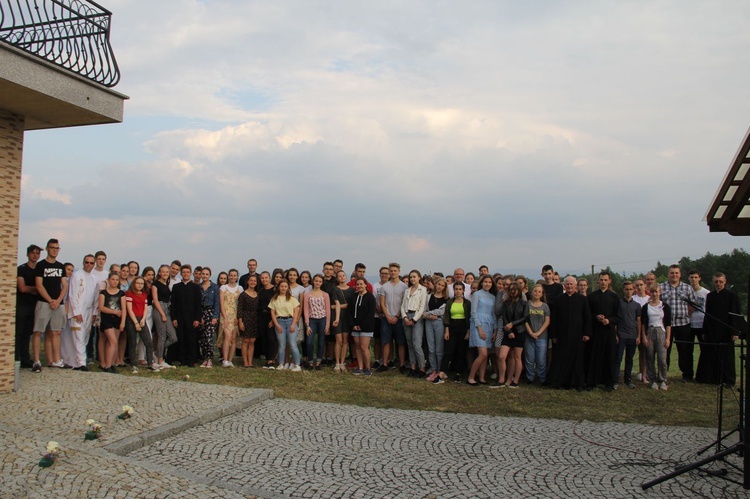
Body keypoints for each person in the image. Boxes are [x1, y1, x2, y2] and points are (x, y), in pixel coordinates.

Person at [698, 273, 741, 387]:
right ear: (713, 282)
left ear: (725, 281)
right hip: (713, 330)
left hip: (727, 331)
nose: (718, 284)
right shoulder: (710, 296)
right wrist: (704, 331)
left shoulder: (732, 296)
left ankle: (729, 380)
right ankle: (715, 378)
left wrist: (735, 332)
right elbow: (707, 314)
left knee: (727, 357)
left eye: (720, 282)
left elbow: (736, 315)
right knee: (713, 354)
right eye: (716, 281)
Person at [548, 276, 592, 391]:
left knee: (576, 360)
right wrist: (553, 335)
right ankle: (560, 382)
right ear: (564, 285)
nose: (569, 286)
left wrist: (587, 333)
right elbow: (554, 318)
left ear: (575, 285)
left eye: (571, 284)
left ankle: (576, 383)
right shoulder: (558, 299)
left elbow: (587, 317)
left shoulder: (582, 299)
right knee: (561, 359)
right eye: (567, 284)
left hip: (577, 335)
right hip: (561, 335)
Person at [31, 239, 68, 372]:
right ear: (47, 249)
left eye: (57, 248)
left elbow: (64, 285)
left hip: (58, 304)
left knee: (56, 331)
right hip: (43, 303)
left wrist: (58, 300)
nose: (55, 250)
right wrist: (50, 300)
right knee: (38, 331)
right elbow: (39, 285)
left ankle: (56, 360)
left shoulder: (60, 266)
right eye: (52, 248)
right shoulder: (41, 265)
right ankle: (36, 361)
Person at [659, 265, 697, 382]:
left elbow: (692, 305)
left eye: (676, 273)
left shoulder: (687, 288)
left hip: (683, 323)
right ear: (668, 274)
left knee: (685, 350)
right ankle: (663, 375)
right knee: (665, 350)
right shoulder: (662, 287)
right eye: (672, 273)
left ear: (680, 274)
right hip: (666, 325)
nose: (674, 275)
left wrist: (686, 314)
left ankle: (687, 375)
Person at [586, 270, 621, 391]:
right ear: (598, 281)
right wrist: (596, 317)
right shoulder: (591, 296)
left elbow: (618, 316)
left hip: (609, 331)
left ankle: (609, 383)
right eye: (601, 280)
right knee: (594, 356)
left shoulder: (614, 297)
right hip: (595, 331)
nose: (603, 282)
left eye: (605, 280)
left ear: (609, 281)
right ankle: (592, 381)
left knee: (609, 356)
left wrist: (609, 320)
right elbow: (587, 314)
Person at [63, 255, 98, 370]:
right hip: (77, 311)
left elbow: (96, 297)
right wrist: (76, 312)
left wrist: (94, 313)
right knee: (78, 336)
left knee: (85, 336)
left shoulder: (94, 278)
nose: (89, 265)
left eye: (91, 263)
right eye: (87, 262)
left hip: (89, 311)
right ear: (83, 263)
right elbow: (72, 295)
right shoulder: (77, 276)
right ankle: (81, 363)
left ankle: (77, 360)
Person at [438, 281, 471, 384]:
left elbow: (469, 318)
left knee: (460, 351)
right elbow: (446, 316)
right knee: (448, 350)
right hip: (452, 327)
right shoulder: (449, 302)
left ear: (463, 291)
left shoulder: (467, 303)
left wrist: (468, 332)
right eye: (456, 289)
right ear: (454, 290)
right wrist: (446, 331)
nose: (458, 291)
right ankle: (442, 372)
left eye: (460, 289)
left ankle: (458, 373)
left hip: (463, 328)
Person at [641, 284, 672, 391]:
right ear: (650, 293)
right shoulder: (646, 307)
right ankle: (653, 380)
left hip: (661, 332)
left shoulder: (665, 306)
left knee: (662, 358)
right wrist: (644, 337)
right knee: (649, 356)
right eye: (653, 292)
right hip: (650, 331)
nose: (654, 294)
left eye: (656, 292)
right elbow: (643, 323)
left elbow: (668, 324)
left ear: (660, 292)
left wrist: (668, 338)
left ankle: (662, 379)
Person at [467, 275, 497, 386]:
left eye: (489, 282)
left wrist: (495, 330)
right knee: (483, 354)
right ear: (481, 283)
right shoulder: (477, 294)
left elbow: (493, 314)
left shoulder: (493, 297)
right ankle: (471, 377)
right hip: (478, 325)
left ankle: (482, 377)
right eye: (485, 282)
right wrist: (479, 328)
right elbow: (473, 312)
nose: (487, 284)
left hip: (489, 325)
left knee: (486, 354)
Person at [170, 264, 202, 367]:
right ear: (181, 273)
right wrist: (174, 318)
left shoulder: (196, 288)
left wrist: (197, 318)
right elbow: (173, 304)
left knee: (192, 339)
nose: (186, 274)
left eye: (187, 272)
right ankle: (182, 360)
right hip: (179, 317)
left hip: (192, 318)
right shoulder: (176, 287)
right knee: (181, 338)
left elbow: (198, 305)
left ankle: (191, 360)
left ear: (191, 273)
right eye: (184, 272)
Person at [378, 262, 408, 370]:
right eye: (391, 271)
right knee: (386, 341)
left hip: (399, 318)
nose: (393, 272)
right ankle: (385, 364)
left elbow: (404, 303)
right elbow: (382, 303)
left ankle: (402, 364)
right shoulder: (384, 287)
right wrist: (388, 316)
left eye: (395, 270)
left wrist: (396, 316)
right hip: (387, 318)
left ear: (399, 272)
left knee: (401, 342)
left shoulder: (404, 287)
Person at [124, 276, 157, 373]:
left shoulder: (144, 294)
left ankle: (150, 363)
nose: (139, 285)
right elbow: (129, 309)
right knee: (132, 342)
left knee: (149, 342)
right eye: (138, 283)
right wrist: (135, 322)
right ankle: (134, 365)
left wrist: (143, 319)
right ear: (134, 284)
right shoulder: (129, 294)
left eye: (141, 283)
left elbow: (145, 308)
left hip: (141, 318)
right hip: (132, 319)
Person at [16, 244, 41, 368]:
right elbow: (22, 288)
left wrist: (33, 289)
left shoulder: (39, 270)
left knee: (27, 334)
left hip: (34, 306)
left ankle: (25, 359)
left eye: (37, 253)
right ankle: (15, 359)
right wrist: (36, 288)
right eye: (33, 253)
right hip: (22, 305)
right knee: (18, 333)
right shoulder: (21, 269)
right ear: (28, 254)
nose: (35, 255)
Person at [268, 279, 302, 371]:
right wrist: (277, 325)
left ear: (288, 288)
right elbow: (272, 313)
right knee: (282, 345)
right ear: (279, 287)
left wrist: (293, 324)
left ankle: (297, 365)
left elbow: (296, 312)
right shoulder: (274, 299)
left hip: (290, 321)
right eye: (282, 286)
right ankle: (281, 364)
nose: (283, 288)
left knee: (292, 344)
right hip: (280, 322)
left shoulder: (292, 298)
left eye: (285, 287)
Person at [499, 281, 528, 388]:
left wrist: (513, 324)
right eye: (511, 289)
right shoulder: (506, 303)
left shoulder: (524, 303)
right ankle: (502, 379)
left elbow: (525, 317)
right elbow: (504, 316)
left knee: (517, 358)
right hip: (508, 332)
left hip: (519, 331)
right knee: (502, 356)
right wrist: (509, 330)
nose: (513, 291)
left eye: (515, 289)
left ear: (519, 290)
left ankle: (514, 380)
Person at [401, 269, 428, 377]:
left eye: (414, 277)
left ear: (419, 278)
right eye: (411, 277)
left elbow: (422, 307)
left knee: (417, 345)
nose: (412, 279)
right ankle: (413, 367)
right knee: (410, 344)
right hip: (407, 316)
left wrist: (414, 320)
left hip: (417, 317)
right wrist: (405, 317)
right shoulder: (407, 290)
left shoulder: (423, 290)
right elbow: (402, 305)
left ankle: (421, 368)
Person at [98, 271, 126, 373]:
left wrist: (123, 322)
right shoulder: (103, 293)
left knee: (114, 342)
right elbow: (101, 307)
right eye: (113, 279)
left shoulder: (121, 293)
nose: (114, 281)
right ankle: (107, 365)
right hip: (107, 319)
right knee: (112, 341)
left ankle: (112, 363)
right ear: (109, 280)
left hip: (117, 320)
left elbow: (123, 308)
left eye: (116, 280)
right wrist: (114, 311)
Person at [348, 277, 376, 375]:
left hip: (366, 327)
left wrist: (362, 325)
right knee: (358, 347)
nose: (359, 286)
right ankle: (360, 367)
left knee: (364, 347)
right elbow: (350, 312)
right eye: (358, 284)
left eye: (361, 284)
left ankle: (368, 368)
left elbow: (370, 313)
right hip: (355, 327)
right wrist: (353, 325)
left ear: (365, 285)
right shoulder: (353, 297)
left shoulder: (370, 297)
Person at [617, 281, 641, 389]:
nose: (629, 291)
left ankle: (628, 380)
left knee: (629, 359)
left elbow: (639, 321)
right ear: (623, 290)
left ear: (634, 290)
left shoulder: (637, 305)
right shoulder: (618, 303)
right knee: (618, 358)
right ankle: (615, 380)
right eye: (627, 289)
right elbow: (615, 320)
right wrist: (615, 334)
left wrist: (639, 335)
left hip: (632, 335)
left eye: (631, 289)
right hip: (621, 335)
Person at [151, 265, 177, 369]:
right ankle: (160, 360)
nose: (165, 274)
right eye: (163, 272)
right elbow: (155, 300)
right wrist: (162, 313)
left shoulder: (166, 284)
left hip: (167, 309)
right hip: (159, 309)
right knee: (161, 336)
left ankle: (157, 353)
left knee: (173, 337)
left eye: (167, 272)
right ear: (160, 273)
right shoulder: (155, 284)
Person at [524, 284, 550, 385]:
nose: (537, 293)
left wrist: (538, 333)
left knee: (541, 359)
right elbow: (524, 320)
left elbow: (547, 321)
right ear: (532, 292)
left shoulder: (545, 306)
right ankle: (530, 378)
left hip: (542, 337)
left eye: (539, 291)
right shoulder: (527, 304)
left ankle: (542, 378)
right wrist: (531, 332)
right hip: (529, 336)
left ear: (542, 294)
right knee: (529, 358)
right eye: (535, 291)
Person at [424, 277, 448, 382]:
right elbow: (423, 310)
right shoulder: (428, 297)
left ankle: (440, 370)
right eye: (439, 284)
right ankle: (433, 369)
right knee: (431, 348)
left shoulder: (446, 299)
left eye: (442, 285)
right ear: (435, 284)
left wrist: (428, 314)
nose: (440, 287)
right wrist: (428, 316)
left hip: (439, 323)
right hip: (429, 323)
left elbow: (441, 311)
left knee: (439, 349)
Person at [219, 269, 243, 367]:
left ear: (237, 277)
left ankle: (230, 360)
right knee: (227, 337)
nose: (233, 277)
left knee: (233, 338)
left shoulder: (240, 288)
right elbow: (221, 303)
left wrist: (238, 317)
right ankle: (224, 360)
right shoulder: (223, 287)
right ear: (228, 276)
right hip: (225, 315)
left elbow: (240, 304)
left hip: (236, 315)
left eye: (235, 275)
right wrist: (225, 317)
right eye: (231, 275)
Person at [198, 267, 220, 368]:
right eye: (203, 274)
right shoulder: (198, 287)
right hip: (202, 313)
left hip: (211, 313)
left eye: (207, 274)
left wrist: (215, 316)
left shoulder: (214, 287)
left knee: (209, 337)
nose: (205, 276)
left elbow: (217, 303)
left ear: (210, 275)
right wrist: (200, 316)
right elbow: (197, 303)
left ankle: (210, 359)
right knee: (202, 338)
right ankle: (204, 359)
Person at [237, 274, 260, 368]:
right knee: (245, 341)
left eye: (254, 281)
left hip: (255, 319)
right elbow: (239, 309)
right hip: (245, 318)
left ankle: (250, 362)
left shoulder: (258, 294)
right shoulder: (243, 295)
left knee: (252, 341)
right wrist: (240, 322)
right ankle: (245, 362)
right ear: (247, 282)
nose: (253, 282)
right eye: (251, 280)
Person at [258, 271, 277, 369]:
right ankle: (267, 360)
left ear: (269, 278)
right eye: (262, 278)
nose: (264, 280)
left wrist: (273, 320)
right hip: (262, 316)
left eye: (266, 278)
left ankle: (272, 360)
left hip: (272, 316)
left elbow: (278, 305)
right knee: (264, 338)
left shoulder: (274, 290)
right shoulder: (261, 290)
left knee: (272, 338)